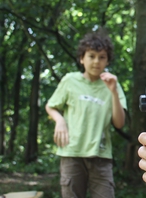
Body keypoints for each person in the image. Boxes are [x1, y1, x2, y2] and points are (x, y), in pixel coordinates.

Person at [45, 29, 127, 198]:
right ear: (82, 58)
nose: (96, 61)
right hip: (71, 153)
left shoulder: (113, 84)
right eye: (91, 56)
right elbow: (51, 106)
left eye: (102, 57)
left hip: (101, 155)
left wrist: (112, 92)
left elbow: (119, 123)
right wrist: (59, 120)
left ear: (107, 60)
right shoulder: (70, 80)